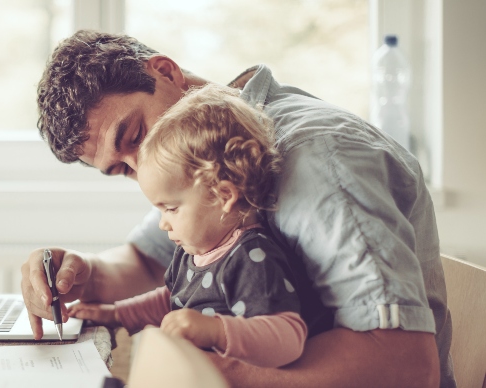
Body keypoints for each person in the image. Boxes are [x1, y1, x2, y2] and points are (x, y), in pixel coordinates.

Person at [23, 30, 450, 387]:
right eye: (122, 170)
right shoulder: (203, 152)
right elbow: (150, 259)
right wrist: (81, 274)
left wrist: (220, 374)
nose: (142, 167)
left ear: (167, 72)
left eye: (135, 134)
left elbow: (407, 365)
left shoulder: (314, 158)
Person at [67, 83, 323, 368]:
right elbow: (171, 300)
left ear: (223, 195)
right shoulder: (193, 254)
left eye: (171, 208)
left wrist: (214, 330)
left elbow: (287, 338)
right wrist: (116, 314)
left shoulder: (252, 257)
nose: (163, 223)